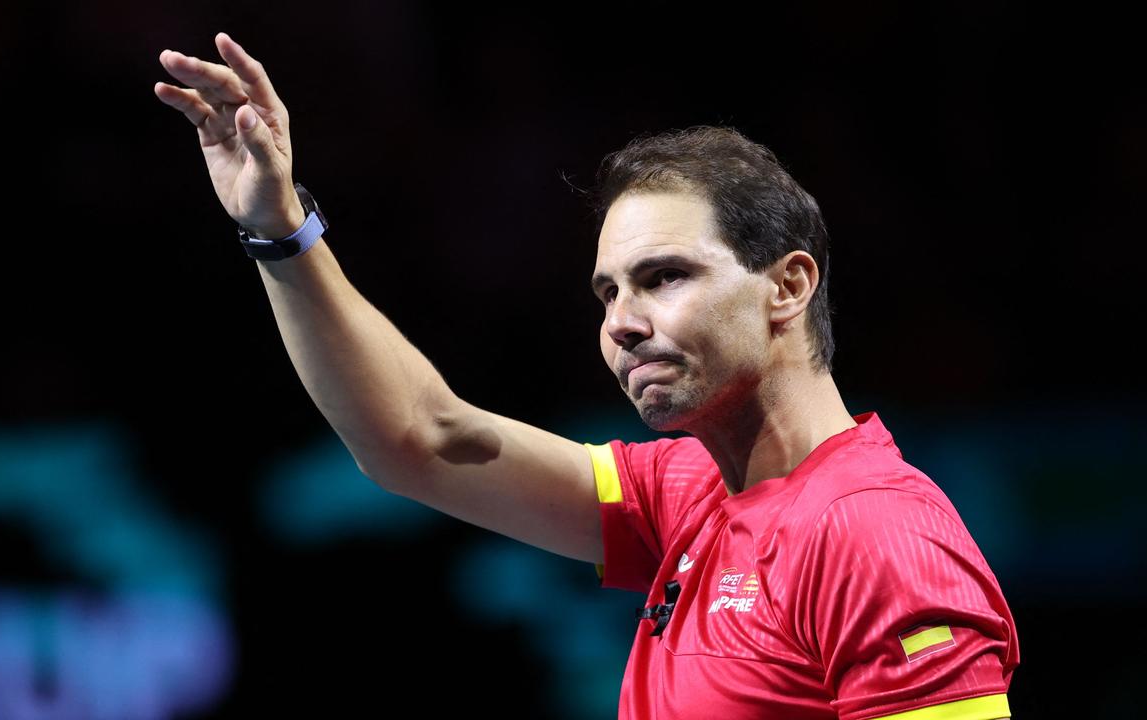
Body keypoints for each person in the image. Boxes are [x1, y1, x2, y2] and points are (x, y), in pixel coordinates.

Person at [155, 32, 1020, 719]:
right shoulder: (686, 494)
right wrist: (280, 231)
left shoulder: (873, 536)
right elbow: (420, 440)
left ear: (788, 285)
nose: (621, 324)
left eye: (664, 277)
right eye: (608, 293)